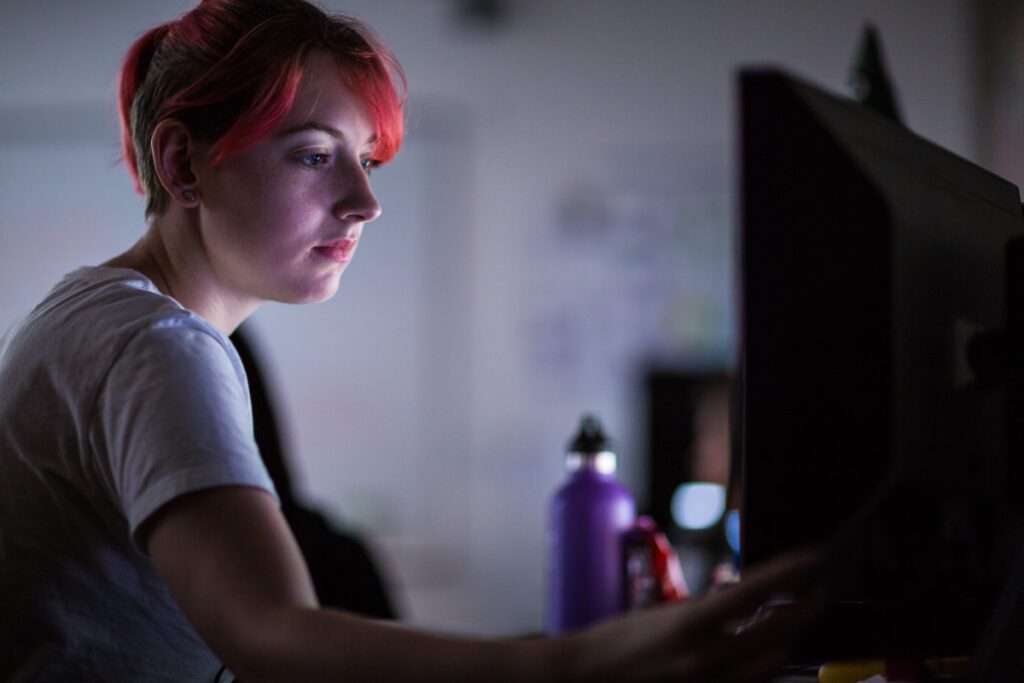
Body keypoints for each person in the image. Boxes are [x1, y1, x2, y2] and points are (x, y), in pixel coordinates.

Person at [0, 1, 821, 680]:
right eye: (316, 155)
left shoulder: (95, 316)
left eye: (365, 161)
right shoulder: (154, 343)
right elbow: (275, 635)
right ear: (183, 167)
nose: (365, 201)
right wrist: (579, 664)